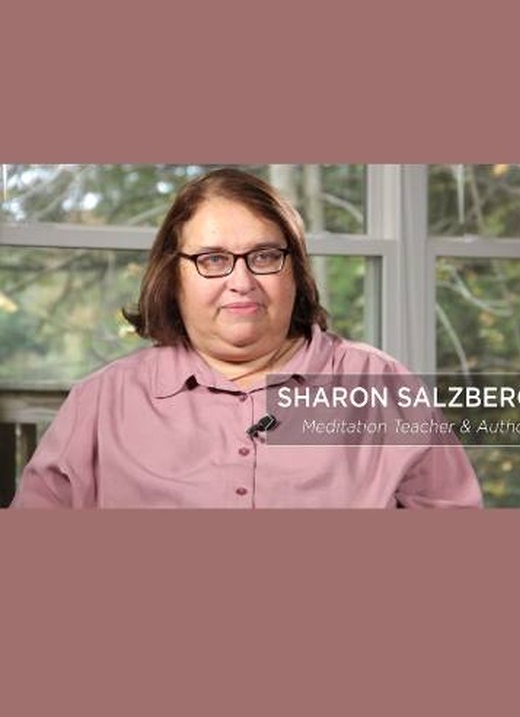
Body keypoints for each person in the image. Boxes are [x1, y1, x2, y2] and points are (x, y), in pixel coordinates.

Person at [12, 168, 483, 508]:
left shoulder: (382, 386)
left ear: (295, 271)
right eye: (213, 259)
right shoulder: (101, 402)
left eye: (263, 256)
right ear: (173, 275)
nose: (241, 282)